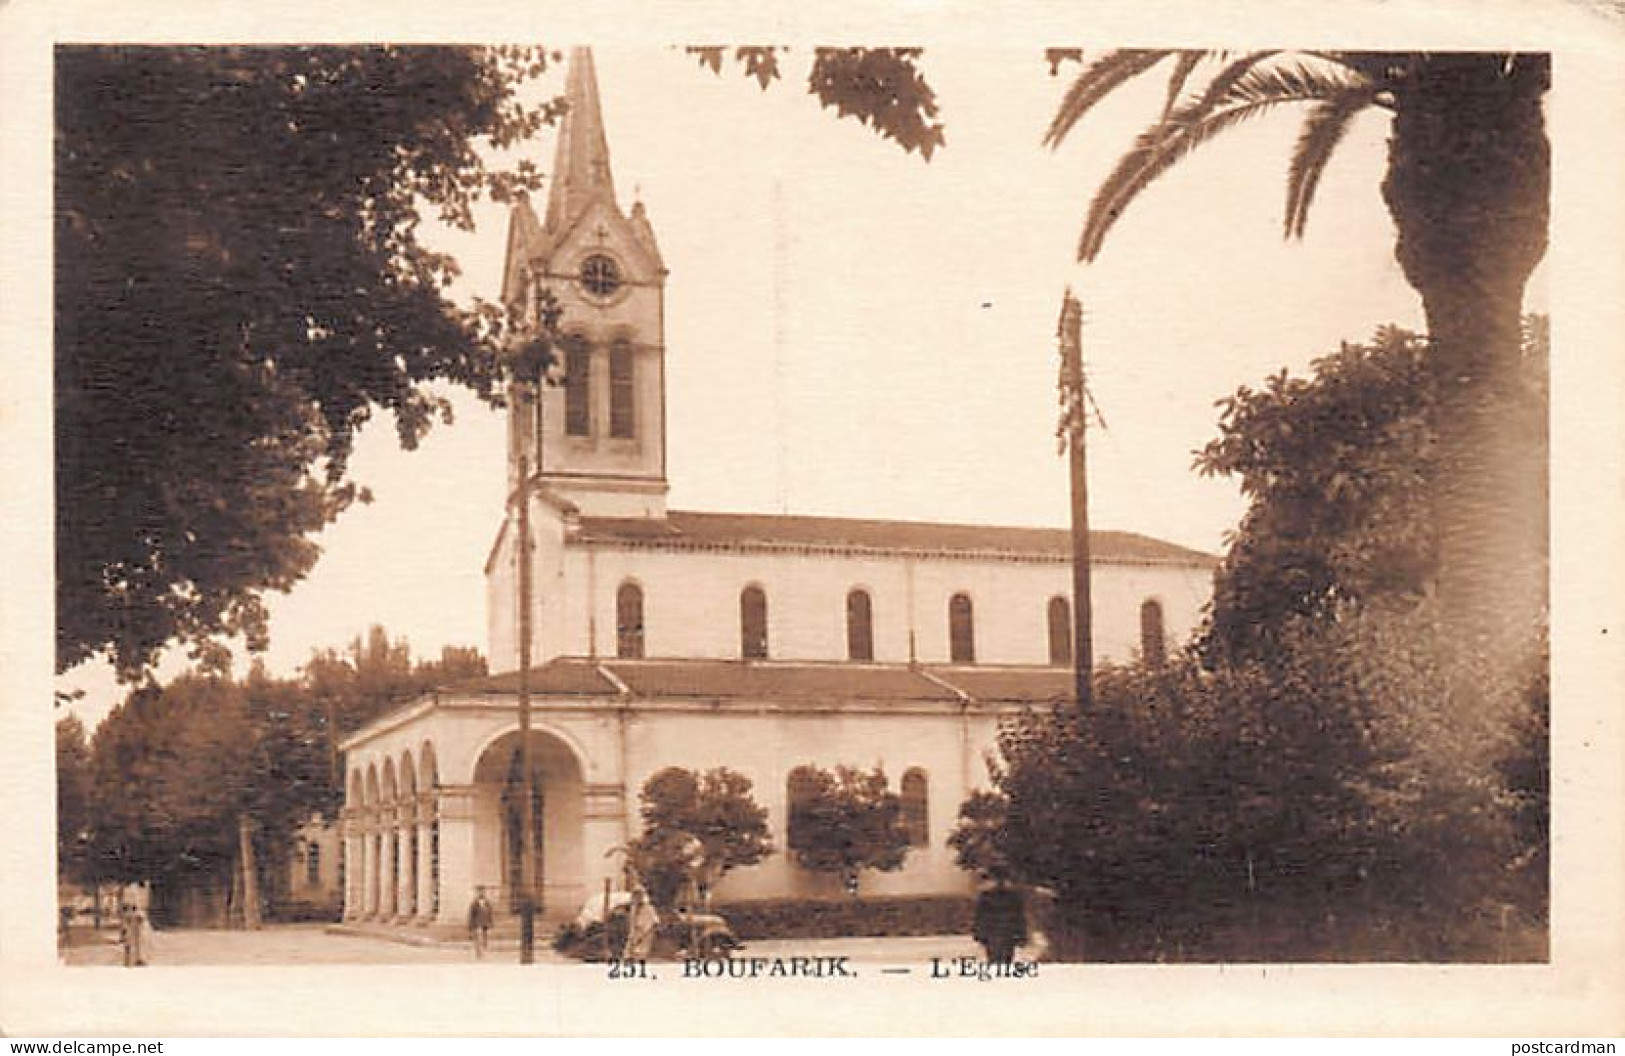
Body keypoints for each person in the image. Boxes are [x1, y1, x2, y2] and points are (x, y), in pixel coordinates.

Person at [972, 882, 1028, 964]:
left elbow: (980, 917)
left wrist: (979, 933)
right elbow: (1020, 917)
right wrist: (1022, 935)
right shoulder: (1014, 897)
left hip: (995, 932)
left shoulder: (985, 897)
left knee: (996, 959)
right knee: (1004, 959)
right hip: (1006, 931)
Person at [467, 887, 495, 959]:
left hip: (485, 923)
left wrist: (491, 923)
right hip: (477, 924)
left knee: (485, 938)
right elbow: (471, 914)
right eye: (480, 892)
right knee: (478, 938)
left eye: (483, 891)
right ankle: (478, 953)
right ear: (477, 893)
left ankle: (484, 951)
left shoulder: (487, 902)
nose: (481, 893)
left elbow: (490, 913)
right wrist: (470, 925)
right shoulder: (474, 903)